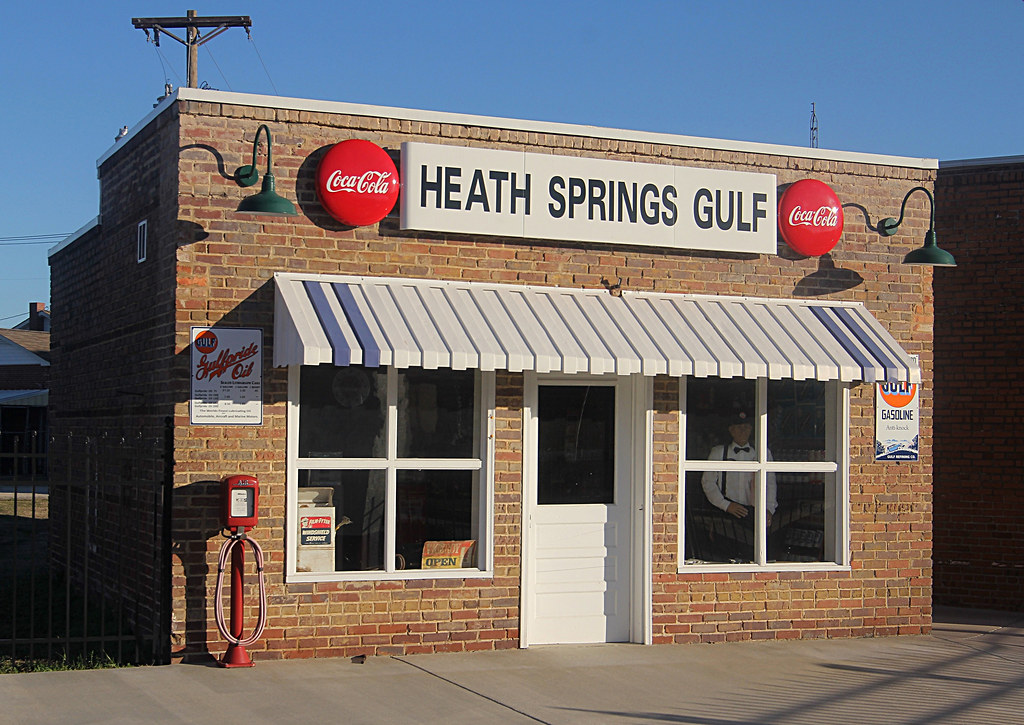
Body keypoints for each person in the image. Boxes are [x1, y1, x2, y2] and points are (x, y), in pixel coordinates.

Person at [701, 410, 777, 529]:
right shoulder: (719, 453)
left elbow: (770, 483)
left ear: (751, 429)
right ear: (731, 430)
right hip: (725, 512)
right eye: (739, 427)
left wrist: (768, 508)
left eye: (746, 427)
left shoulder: (763, 453)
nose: (743, 431)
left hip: (754, 512)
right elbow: (708, 482)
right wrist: (726, 505)